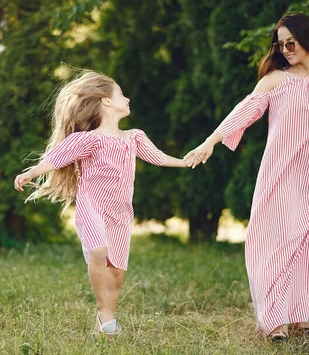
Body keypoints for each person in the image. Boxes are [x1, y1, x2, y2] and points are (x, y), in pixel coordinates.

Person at [184, 13, 309, 341]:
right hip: (279, 173)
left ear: (308, 39)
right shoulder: (275, 79)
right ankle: (275, 320)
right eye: (280, 44)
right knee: (272, 244)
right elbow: (243, 113)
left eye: (291, 42)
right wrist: (210, 142)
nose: (286, 49)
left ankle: (304, 317)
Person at [14, 70, 188, 337]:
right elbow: (56, 158)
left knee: (116, 272)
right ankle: (103, 312)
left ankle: (103, 326)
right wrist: (31, 173)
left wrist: (186, 161)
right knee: (98, 252)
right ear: (106, 101)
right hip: (92, 206)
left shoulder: (134, 138)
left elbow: (159, 157)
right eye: (121, 94)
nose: (128, 98)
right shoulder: (88, 140)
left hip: (120, 212)